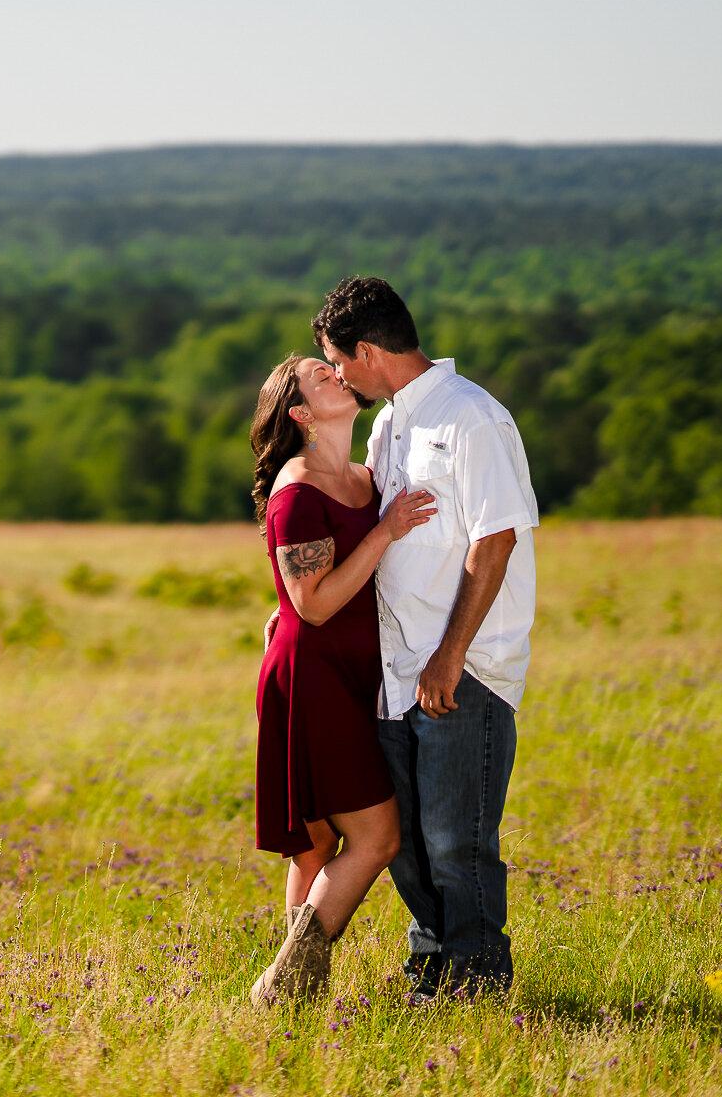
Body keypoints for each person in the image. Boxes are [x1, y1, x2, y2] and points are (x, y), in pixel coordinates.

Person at [312, 276, 540, 998]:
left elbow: (495, 541)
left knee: (456, 840)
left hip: (459, 671)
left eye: (338, 362)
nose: (338, 376)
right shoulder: (388, 425)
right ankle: (433, 963)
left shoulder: (471, 417)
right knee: (406, 843)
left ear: (369, 351)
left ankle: (478, 978)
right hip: (393, 672)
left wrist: (449, 658)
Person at [245, 353, 436, 1005]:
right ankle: (283, 985)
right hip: (316, 678)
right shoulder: (298, 489)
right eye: (317, 376)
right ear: (301, 414)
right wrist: (385, 532)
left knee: (319, 843)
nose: (334, 373)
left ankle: (293, 999)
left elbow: (305, 590)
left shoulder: (361, 476)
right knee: (376, 837)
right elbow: (318, 605)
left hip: (359, 674)